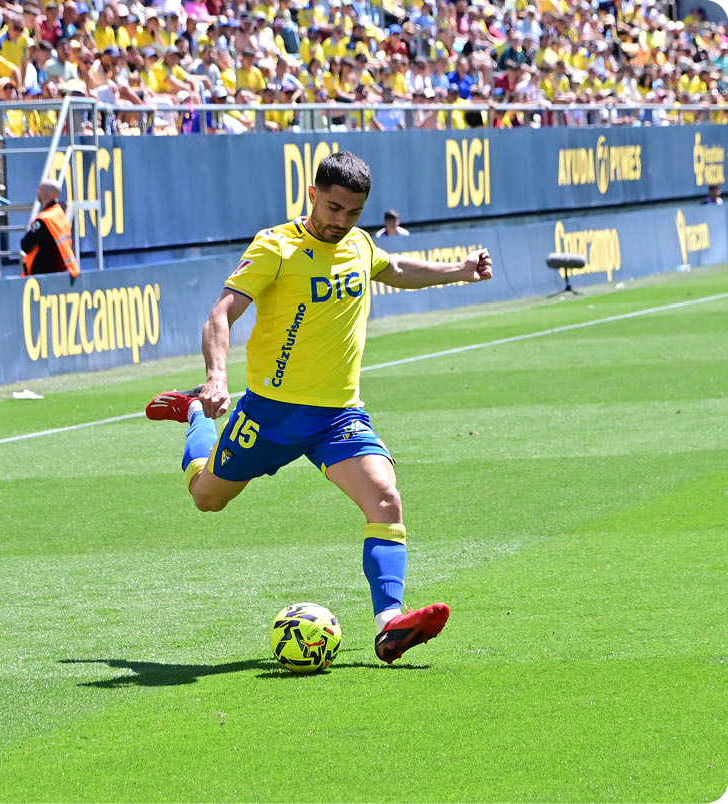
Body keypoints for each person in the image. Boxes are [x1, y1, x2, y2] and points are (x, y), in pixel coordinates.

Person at [144, 152, 493, 665]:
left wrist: (458, 271)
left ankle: (389, 625)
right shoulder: (275, 246)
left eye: (352, 213)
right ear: (312, 193)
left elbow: (393, 268)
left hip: (339, 416)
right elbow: (221, 313)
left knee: (386, 500)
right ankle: (196, 415)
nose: (340, 222)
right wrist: (217, 378)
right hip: (270, 414)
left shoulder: (359, 243)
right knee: (206, 498)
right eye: (332, 208)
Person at [21, 179, 80, 279]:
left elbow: (25, 245)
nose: (37, 192)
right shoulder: (60, 215)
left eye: (39, 189)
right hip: (60, 273)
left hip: (42, 276)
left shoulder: (44, 219)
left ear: (45, 193)